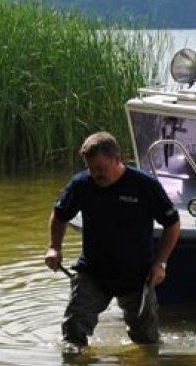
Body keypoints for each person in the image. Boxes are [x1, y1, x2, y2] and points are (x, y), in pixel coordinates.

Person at [44, 132, 181, 352]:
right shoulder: (81, 184)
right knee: (73, 336)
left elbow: (172, 224)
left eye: (100, 169)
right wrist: (54, 247)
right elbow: (59, 215)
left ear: (117, 159)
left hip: (137, 275)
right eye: (90, 168)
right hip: (93, 271)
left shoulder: (144, 186)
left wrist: (160, 263)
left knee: (147, 344)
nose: (95, 175)